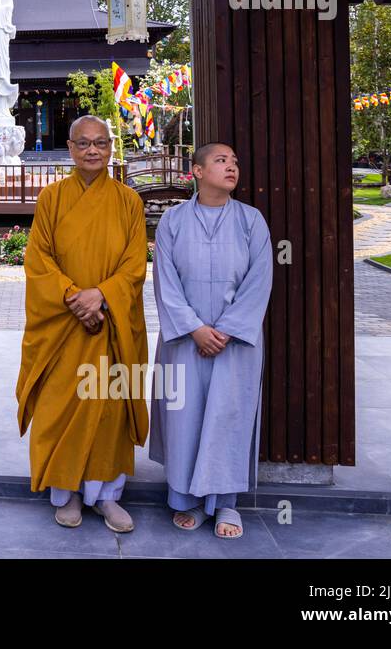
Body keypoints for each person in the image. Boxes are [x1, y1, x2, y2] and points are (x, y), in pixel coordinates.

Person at [18, 114, 149, 533]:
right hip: (64, 322)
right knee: (61, 405)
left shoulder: (129, 201)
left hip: (109, 323)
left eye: (101, 143)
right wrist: (75, 297)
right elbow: (38, 260)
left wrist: (102, 296)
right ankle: (67, 493)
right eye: (84, 143)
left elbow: (134, 263)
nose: (93, 150)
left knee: (108, 410)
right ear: (71, 149)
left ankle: (107, 496)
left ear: (111, 148)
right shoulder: (52, 198)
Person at [150, 142, 273, 539]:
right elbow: (164, 280)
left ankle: (225, 504)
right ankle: (185, 499)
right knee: (184, 418)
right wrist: (194, 328)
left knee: (228, 417)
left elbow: (259, 283)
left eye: (235, 161)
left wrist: (227, 329)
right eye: (221, 160)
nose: (231, 166)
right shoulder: (173, 220)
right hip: (185, 338)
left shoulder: (251, 221)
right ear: (198, 171)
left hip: (234, 342)